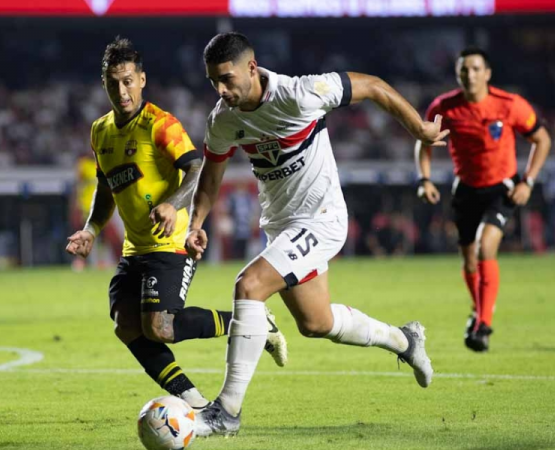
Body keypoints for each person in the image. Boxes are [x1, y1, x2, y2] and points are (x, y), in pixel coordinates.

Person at [187, 32, 443, 437]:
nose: (221, 89)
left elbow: (374, 86)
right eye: (213, 81)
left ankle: (227, 412)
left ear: (252, 68)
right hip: (281, 227)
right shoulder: (223, 119)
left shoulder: (302, 93)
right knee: (316, 323)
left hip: (321, 220)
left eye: (227, 78)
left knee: (249, 286)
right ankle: (405, 340)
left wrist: (420, 130)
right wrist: (195, 222)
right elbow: (212, 174)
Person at [64, 37, 287, 412]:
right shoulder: (100, 131)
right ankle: (194, 402)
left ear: (142, 80)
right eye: (114, 83)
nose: (122, 90)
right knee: (126, 324)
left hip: (172, 241)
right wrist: (91, 229)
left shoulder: (161, 124)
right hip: (135, 248)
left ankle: (253, 322)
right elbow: (106, 187)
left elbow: (196, 168)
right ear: (104, 84)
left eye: (129, 81)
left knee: (160, 327)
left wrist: (172, 204)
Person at [415, 47, 551, 352]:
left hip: (501, 189)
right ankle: (479, 312)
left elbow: (542, 139)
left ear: (487, 73)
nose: (470, 74)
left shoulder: (510, 105)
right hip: (465, 190)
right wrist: (423, 179)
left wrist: (527, 181)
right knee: (469, 260)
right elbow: (423, 142)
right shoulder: (445, 107)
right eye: (464, 69)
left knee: (485, 245)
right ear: (457, 74)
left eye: (476, 69)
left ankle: (483, 323)